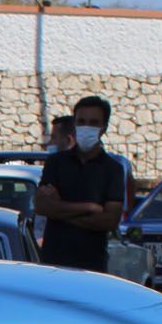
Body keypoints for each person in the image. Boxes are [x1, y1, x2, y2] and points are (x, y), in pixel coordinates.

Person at [34, 96, 125, 271]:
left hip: (92, 265)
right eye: (81, 121)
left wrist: (60, 210)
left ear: (103, 127)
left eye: (93, 123)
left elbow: (109, 220)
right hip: (53, 264)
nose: (86, 127)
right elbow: (42, 206)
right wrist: (90, 208)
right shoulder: (56, 162)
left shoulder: (112, 169)